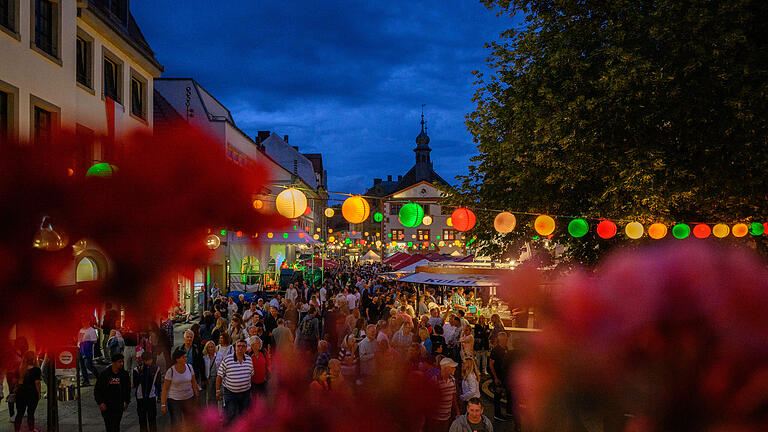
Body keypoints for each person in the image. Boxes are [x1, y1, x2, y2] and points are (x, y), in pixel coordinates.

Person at [160, 347, 199, 428]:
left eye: (186, 357)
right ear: (177, 359)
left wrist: (196, 395)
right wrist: (163, 404)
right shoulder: (170, 371)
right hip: (174, 400)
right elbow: (165, 388)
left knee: (190, 422)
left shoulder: (189, 367)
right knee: (176, 422)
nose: (186, 358)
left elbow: (194, 382)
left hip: (188, 398)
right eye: (183, 357)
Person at [488, 332, 520, 429]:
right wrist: (495, 377)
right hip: (498, 376)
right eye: (505, 339)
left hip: (505, 376)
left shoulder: (505, 349)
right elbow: (491, 364)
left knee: (509, 393)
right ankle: (497, 414)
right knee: (497, 395)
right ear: (501, 339)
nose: (507, 341)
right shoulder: (495, 350)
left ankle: (509, 411)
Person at [216, 339, 253, 424]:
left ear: (246, 348)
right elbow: (219, 375)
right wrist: (218, 390)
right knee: (230, 414)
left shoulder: (249, 359)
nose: (241, 348)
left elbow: (251, 374)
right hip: (230, 393)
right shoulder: (227, 359)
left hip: (245, 393)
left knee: (244, 414)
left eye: (243, 346)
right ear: (235, 347)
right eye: (238, 346)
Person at [94, 353, 131, 432]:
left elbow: (127, 389)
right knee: (109, 425)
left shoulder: (124, 374)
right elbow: (97, 389)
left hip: (118, 404)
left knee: (116, 425)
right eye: (119, 362)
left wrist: (127, 401)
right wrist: (100, 402)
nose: (122, 364)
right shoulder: (105, 374)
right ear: (113, 363)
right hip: (107, 405)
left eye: (122, 362)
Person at [425, 357, 460, 432]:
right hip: (435, 418)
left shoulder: (452, 380)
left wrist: (457, 411)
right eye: (452, 367)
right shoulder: (435, 380)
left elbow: (453, 396)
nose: (454, 369)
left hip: (447, 417)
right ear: (446, 368)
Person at [133, 352, 162, 432]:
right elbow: (135, 384)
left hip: (151, 396)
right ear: (143, 360)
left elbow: (158, 383)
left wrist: (159, 396)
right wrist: (140, 372)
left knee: (152, 418)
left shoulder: (156, 368)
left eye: (150, 360)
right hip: (140, 397)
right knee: (142, 419)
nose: (149, 362)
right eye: (146, 360)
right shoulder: (137, 369)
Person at [13, 351, 41, 432]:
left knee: (19, 413)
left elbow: (14, 380)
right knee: (31, 413)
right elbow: (37, 383)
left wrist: (20, 381)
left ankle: (17, 430)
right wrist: (39, 393)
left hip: (21, 393)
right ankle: (31, 429)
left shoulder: (19, 368)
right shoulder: (36, 370)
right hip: (32, 393)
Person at [78, 320, 100, 386]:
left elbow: (95, 340)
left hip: (87, 350)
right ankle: (86, 381)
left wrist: (86, 343)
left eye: (85, 321)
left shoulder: (91, 330)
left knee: (88, 365)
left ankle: (99, 378)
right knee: (82, 366)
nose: (83, 322)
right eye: (82, 321)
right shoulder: (81, 330)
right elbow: (79, 339)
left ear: (88, 321)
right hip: (80, 349)